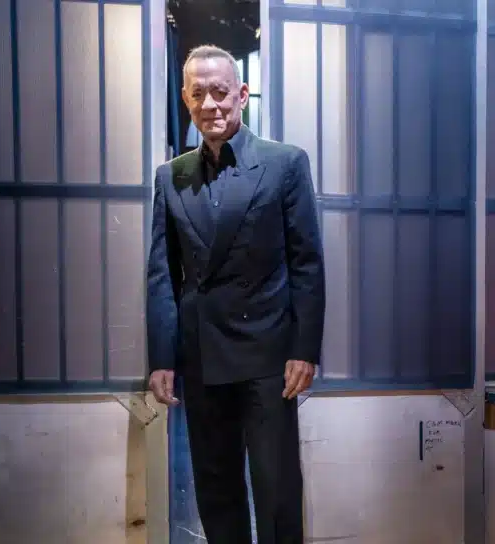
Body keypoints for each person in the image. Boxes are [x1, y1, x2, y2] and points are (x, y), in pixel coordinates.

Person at [146, 44, 325, 544]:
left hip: (269, 354)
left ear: (242, 95)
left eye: (220, 92)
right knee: (215, 485)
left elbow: (307, 263)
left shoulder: (284, 163)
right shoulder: (171, 176)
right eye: (198, 94)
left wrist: (304, 349)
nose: (210, 104)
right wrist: (162, 358)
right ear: (186, 99)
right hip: (202, 352)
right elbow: (163, 274)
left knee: (276, 486)